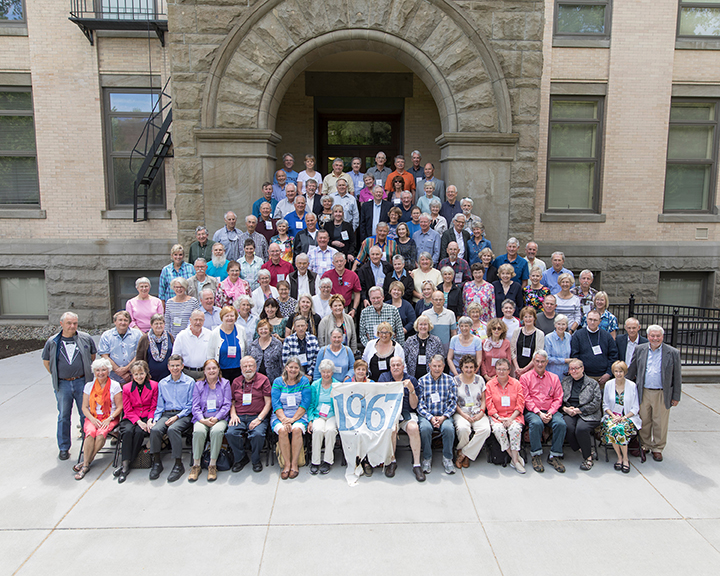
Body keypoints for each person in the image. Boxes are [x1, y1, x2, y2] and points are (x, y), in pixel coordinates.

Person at [42, 311, 97, 461]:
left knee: (85, 414)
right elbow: (47, 362)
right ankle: (64, 447)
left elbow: (92, 357)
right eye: (69, 323)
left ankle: (87, 445)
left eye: (75, 323)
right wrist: (58, 375)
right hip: (63, 384)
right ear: (61, 324)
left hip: (81, 382)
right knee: (63, 416)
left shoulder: (85, 338)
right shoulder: (53, 342)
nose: (72, 326)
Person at [626, 325, 682, 462]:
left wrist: (676, 396)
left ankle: (658, 447)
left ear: (662, 337)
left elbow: (677, 377)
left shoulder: (672, 352)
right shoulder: (640, 349)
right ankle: (645, 444)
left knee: (660, 422)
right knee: (644, 420)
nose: (655, 338)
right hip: (643, 391)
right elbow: (632, 370)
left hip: (662, 392)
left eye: (658, 336)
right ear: (648, 336)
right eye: (652, 336)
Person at [73, 358, 123, 480]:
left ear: (108, 371)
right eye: (97, 370)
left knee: (101, 434)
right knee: (90, 433)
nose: (100, 373)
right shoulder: (88, 386)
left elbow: (120, 407)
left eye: (103, 370)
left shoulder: (115, 386)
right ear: (94, 372)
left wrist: (109, 418)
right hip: (92, 417)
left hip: (109, 417)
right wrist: (92, 419)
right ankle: (86, 464)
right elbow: (84, 407)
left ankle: (86, 463)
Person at [148, 354, 195, 482]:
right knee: (156, 430)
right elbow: (160, 405)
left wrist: (177, 417)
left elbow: (190, 405)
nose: (175, 368)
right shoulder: (163, 383)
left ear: (182, 366)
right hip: (166, 414)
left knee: (173, 430)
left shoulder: (190, 382)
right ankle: (157, 462)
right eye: (172, 366)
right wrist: (155, 419)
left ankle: (178, 464)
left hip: (183, 414)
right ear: (168, 367)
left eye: (177, 365)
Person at [520, 351, 566, 473]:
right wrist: (539, 413)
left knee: (560, 424)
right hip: (533, 411)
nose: (540, 364)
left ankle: (554, 455)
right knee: (536, 423)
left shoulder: (554, 378)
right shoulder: (525, 378)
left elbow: (558, 398)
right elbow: (526, 398)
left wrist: (550, 412)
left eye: (542, 361)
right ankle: (536, 455)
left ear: (547, 362)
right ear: (533, 362)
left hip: (550, 410)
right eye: (537, 361)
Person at [188, 358, 232, 482]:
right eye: (209, 369)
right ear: (204, 371)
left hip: (220, 418)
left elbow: (227, 404)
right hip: (202, 418)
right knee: (198, 432)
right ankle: (196, 465)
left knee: (217, 432)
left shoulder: (225, 383)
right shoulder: (198, 385)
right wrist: (202, 420)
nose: (212, 371)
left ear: (218, 369)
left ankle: (212, 465)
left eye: (214, 368)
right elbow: (195, 406)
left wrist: (217, 418)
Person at [226, 356, 271, 473]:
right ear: (241, 368)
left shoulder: (263, 380)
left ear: (255, 367)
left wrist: (259, 419)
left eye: (251, 365)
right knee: (230, 433)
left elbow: (268, 402)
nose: (248, 368)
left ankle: (256, 460)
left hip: (257, 415)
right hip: (239, 416)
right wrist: (233, 415)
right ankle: (241, 458)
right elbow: (231, 401)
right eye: (245, 366)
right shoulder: (236, 382)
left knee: (258, 434)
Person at [115, 360, 158, 483]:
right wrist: (138, 421)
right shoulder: (127, 388)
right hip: (131, 417)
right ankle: (125, 465)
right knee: (128, 431)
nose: (139, 377)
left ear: (146, 373)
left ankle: (125, 465)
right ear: (132, 375)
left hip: (146, 416)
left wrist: (149, 419)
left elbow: (154, 406)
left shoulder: (154, 385)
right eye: (136, 374)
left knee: (139, 433)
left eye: (141, 373)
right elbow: (127, 410)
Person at [272, 357, 312, 479]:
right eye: (291, 367)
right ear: (286, 367)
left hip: (299, 415)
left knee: (296, 430)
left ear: (299, 369)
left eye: (296, 367)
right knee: (283, 430)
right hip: (280, 415)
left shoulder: (304, 381)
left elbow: (305, 403)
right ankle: (286, 465)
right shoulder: (278, 381)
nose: (293, 370)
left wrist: (292, 419)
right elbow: (276, 403)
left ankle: (295, 464)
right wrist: (284, 419)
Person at [417, 355, 457, 475]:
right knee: (425, 429)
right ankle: (427, 458)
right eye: (434, 366)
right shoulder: (422, 381)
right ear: (429, 366)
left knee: (448, 428)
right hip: (427, 415)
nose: (437, 369)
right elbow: (420, 404)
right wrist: (430, 417)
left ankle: (447, 458)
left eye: (439, 366)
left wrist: (443, 417)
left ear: (444, 367)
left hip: (444, 415)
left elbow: (453, 403)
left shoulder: (450, 380)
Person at [485, 358, 526, 473]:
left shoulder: (516, 384)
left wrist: (511, 418)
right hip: (497, 417)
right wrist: (500, 418)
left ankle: (514, 459)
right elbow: (489, 405)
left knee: (515, 429)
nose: (501, 372)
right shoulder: (490, 385)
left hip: (514, 416)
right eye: (499, 369)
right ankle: (515, 459)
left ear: (509, 370)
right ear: (495, 370)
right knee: (498, 430)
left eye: (504, 369)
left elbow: (520, 403)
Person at [561, 358, 602, 470]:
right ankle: (581, 448)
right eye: (571, 369)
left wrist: (579, 410)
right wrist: (566, 409)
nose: (574, 371)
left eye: (576, 368)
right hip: (569, 412)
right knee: (567, 426)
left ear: (582, 369)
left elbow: (596, 403)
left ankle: (588, 458)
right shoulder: (565, 381)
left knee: (581, 428)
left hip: (588, 413)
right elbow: (558, 399)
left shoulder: (592, 383)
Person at [602, 360, 641, 473]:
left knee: (620, 429)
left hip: (628, 417)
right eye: (616, 371)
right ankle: (620, 457)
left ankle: (625, 458)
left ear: (625, 372)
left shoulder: (632, 386)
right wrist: (614, 416)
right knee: (614, 428)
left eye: (621, 371)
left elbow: (635, 408)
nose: (618, 374)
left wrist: (623, 418)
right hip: (612, 416)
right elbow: (605, 405)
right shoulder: (609, 384)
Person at [453, 354, 491, 468]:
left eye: (471, 367)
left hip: (477, 412)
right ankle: (466, 455)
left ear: (475, 368)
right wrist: (464, 415)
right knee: (463, 429)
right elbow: (454, 403)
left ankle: (463, 454)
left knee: (485, 429)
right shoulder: (455, 381)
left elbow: (484, 399)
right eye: (466, 367)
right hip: (461, 412)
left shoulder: (480, 380)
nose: (469, 370)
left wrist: (481, 413)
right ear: (461, 368)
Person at [570, 309, 618, 386]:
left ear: (600, 321)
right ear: (586, 320)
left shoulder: (606, 336)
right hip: (584, 376)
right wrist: (580, 373)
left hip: (602, 377)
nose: (592, 322)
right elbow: (574, 356)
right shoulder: (578, 335)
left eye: (595, 320)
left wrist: (609, 373)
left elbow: (613, 356)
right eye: (590, 319)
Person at [308, 359, 339, 475]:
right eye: (324, 372)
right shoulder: (315, 385)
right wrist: (310, 420)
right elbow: (310, 404)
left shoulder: (337, 385)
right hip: (318, 415)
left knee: (331, 431)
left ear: (332, 373)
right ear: (320, 372)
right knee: (318, 430)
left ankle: (327, 461)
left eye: (328, 372)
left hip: (332, 415)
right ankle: (315, 461)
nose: (326, 374)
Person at [98, 310, 143, 383]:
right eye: (120, 320)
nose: (123, 323)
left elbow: (140, 353)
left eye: (126, 320)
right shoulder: (106, 335)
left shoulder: (137, 334)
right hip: (112, 377)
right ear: (115, 322)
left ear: (129, 322)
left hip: (133, 376)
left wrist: (126, 369)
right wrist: (118, 371)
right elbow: (104, 355)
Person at [172, 309, 212, 380]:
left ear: (204, 320)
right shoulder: (181, 336)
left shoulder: (209, 334)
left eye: (201, 320)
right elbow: (176, 356)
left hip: (204, 373)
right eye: (195, 319)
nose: (198, 322)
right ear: (190, 320)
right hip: (186, 373)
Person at [134, 313, 174, 382]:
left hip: (168, 377)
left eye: (161, 323)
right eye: (156, 324)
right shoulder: (145, 339)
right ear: (151, 325)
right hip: (150, 378)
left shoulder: (169, 337)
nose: (159, 326)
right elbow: (139, 359)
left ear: (164, 324)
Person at [322, 251, 362, 318]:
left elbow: (357, 293)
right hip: (330, 308)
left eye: (341, 261)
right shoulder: (327, 275)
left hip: (346, 308)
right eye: (337, 262)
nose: (339, 263)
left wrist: (354, 309)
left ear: (345, 261)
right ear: (333, 263)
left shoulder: (352, 275)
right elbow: (321, 291)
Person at [511, 307, 545, 378]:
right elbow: (512, 351)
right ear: (522, 318)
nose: (528, 319)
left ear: (534, 318)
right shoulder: (516, 331)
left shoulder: (540, 334)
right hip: (517, 370)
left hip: (531, 370)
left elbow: (537, 354)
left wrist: (524, 370)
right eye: (525, 317)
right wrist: (518, 368)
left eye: (530, 316)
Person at [248, 319, 284, 385]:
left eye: (266, 329)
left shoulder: (277, 344)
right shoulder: (252, 345)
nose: (263, 331)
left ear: (270, 330)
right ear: (258, 331)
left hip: (273, 380)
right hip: (256, 381)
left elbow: (281, 363)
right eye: (261, 329)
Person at [422, 290, 457, 355]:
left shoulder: (450, 314)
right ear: (431, 300)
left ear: (444, 300)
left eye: (440, 300)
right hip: (430, 350)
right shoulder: (425, 314)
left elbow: (453, 333)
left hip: (446, 351)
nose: (438, 302)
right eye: (436, 300)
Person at [480, 318, 513, 382]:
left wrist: (498, 376)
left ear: (502, 330)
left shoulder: (506, 343)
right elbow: (482, 361)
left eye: (499, 328)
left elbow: (508, 361)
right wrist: (485, 375)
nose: (496, 330)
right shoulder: (484, 343)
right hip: (487, 377)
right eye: (494, 328)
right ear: (490, 329)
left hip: (502, 376)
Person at [545, 314, 572, 381]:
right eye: (559, 324)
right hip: (553, 374)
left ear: (566, 325)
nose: (561, 327)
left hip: (567, 375)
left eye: (563, 324)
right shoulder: (548, 338)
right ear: (555, 325)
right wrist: (564, 361)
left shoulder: (569, 336)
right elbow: (547, 358)